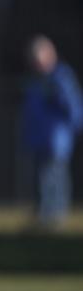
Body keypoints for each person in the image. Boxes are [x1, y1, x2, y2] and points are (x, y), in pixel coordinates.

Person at [22, 35, 83, 227]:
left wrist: (74, 128)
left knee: (54, 177)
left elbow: (73, 107)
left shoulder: (60, 77)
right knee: (41, 177)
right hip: (39, 138)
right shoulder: (36, 81)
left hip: (57, 140)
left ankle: (55, 215)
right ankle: (44, 213)